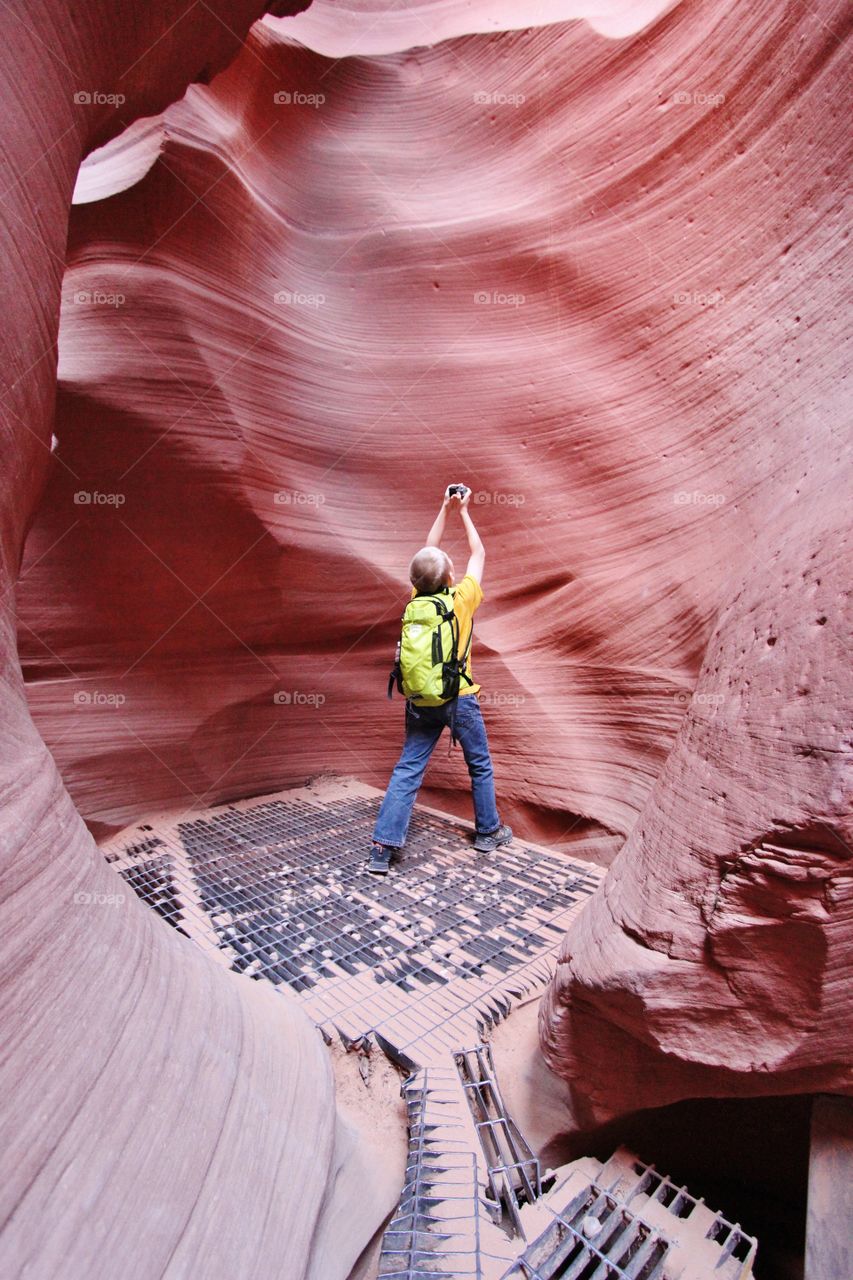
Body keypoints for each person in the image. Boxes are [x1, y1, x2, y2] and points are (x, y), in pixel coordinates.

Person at [368, 484, 512, 875]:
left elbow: (426, 554)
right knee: (479, 764)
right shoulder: (461, 597)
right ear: (450, 575)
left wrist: (442, 509)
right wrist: (463, 511)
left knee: (408, 768)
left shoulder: (415, 599)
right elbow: (479, 554)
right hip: (459, 697)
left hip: (420, 702)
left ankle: (382, 848)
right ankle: (488, 831)